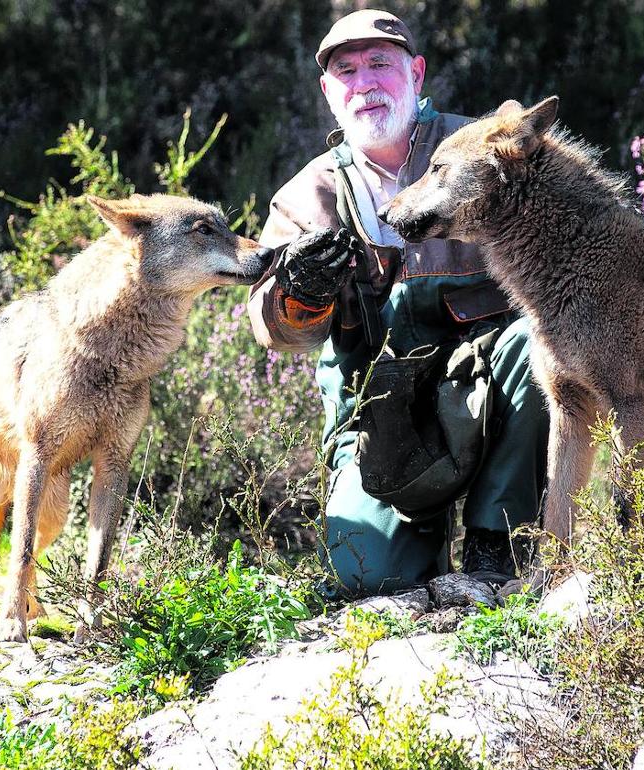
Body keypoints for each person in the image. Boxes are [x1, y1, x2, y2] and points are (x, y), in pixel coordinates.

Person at [247, 9, 548, 596]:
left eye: (380, 65)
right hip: (379, 419)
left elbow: (576, 251)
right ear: (329, 94)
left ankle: (498, 548)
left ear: (415, 72)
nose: (365, 84)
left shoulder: (486, 154)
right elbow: (271, 329)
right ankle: (419, 548)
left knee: (541, 342)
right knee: (370, 578)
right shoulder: (305, 197)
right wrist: (300, 297)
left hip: (496, 401)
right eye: (347, 72)